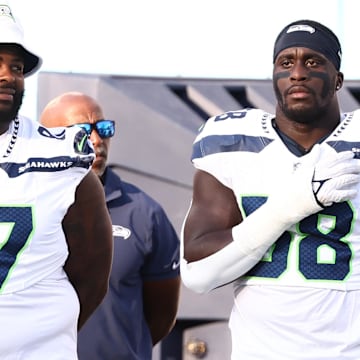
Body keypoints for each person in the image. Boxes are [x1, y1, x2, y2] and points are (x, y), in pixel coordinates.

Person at [180, 19, 360, 359]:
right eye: (286, 62)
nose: (297, 73)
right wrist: (292, 205)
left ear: (337, 80)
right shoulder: (231, 142)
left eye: (313, 61)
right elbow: (198, 275)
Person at [0, 3, 113, 360]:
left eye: (16, 67)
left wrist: (43, 330)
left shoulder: (62, 157)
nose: (7, 76)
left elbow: (93, 275)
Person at [40, 91, 181, 359]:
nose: (96, 140)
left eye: (103, 128)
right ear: (46, 137)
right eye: (81, 131)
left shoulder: (145, 212)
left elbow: (161, 317)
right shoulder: (22, 204)